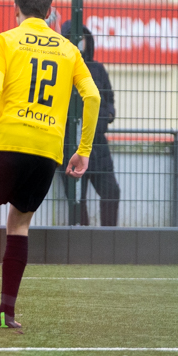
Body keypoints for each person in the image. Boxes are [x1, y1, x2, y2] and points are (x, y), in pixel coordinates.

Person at [0, 0, 100, 332]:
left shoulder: (4, 40)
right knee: (19, 225)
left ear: (16, 8)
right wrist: (83, 150)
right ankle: (7, 312)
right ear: (50, 10)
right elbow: (92, 98)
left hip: (11, 141)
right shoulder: (69, 49)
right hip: (48, 150)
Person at [61, 21, 120, 226]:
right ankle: (82, 243)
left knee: (111, 192)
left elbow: (109, 99)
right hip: (69, 145)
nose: (78, 42)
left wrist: (106, 116)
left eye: (81, 37)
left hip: (98, 145)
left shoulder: (97, 68)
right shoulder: (60, 68)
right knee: (77, 201)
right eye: (72, 38)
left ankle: (109, 240)